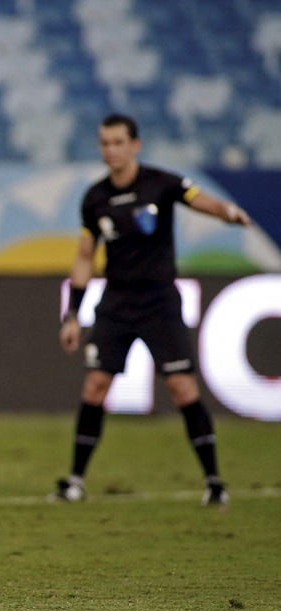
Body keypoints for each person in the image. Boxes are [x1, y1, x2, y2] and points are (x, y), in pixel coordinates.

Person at [50, 113, 252, 507]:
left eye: (118, 142)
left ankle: (214, 482)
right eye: (105, 143)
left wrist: (227, 211)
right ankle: (74, 482)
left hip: (159, 302)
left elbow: (199, 199)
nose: (111, 150)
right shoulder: (94, 198)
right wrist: (72, 314)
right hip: (116, 303)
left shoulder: (161, 183)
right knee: (95, 386)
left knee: (182, 387)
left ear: (135, 145)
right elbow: (85, 256)